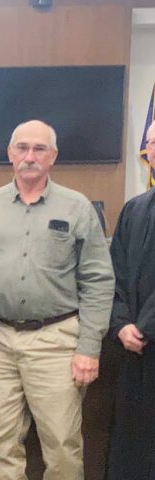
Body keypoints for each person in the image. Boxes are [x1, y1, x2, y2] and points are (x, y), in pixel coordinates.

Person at [0, 119, 115, 480]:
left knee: (61, 444)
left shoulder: (77, 208)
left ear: (53, 156)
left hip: (56, 341)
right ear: (10, 154)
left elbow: (98, 280)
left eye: (39, 149)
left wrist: (89, 348)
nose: (30, 156)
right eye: (23, 148)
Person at [108, 121, 155, 480]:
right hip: (136, 351)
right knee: (136, 448)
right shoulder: (135, 210)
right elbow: (115, 275)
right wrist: (122, 323)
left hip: (146, 336)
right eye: (152, 143)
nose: (153, 150)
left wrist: (145, 327)